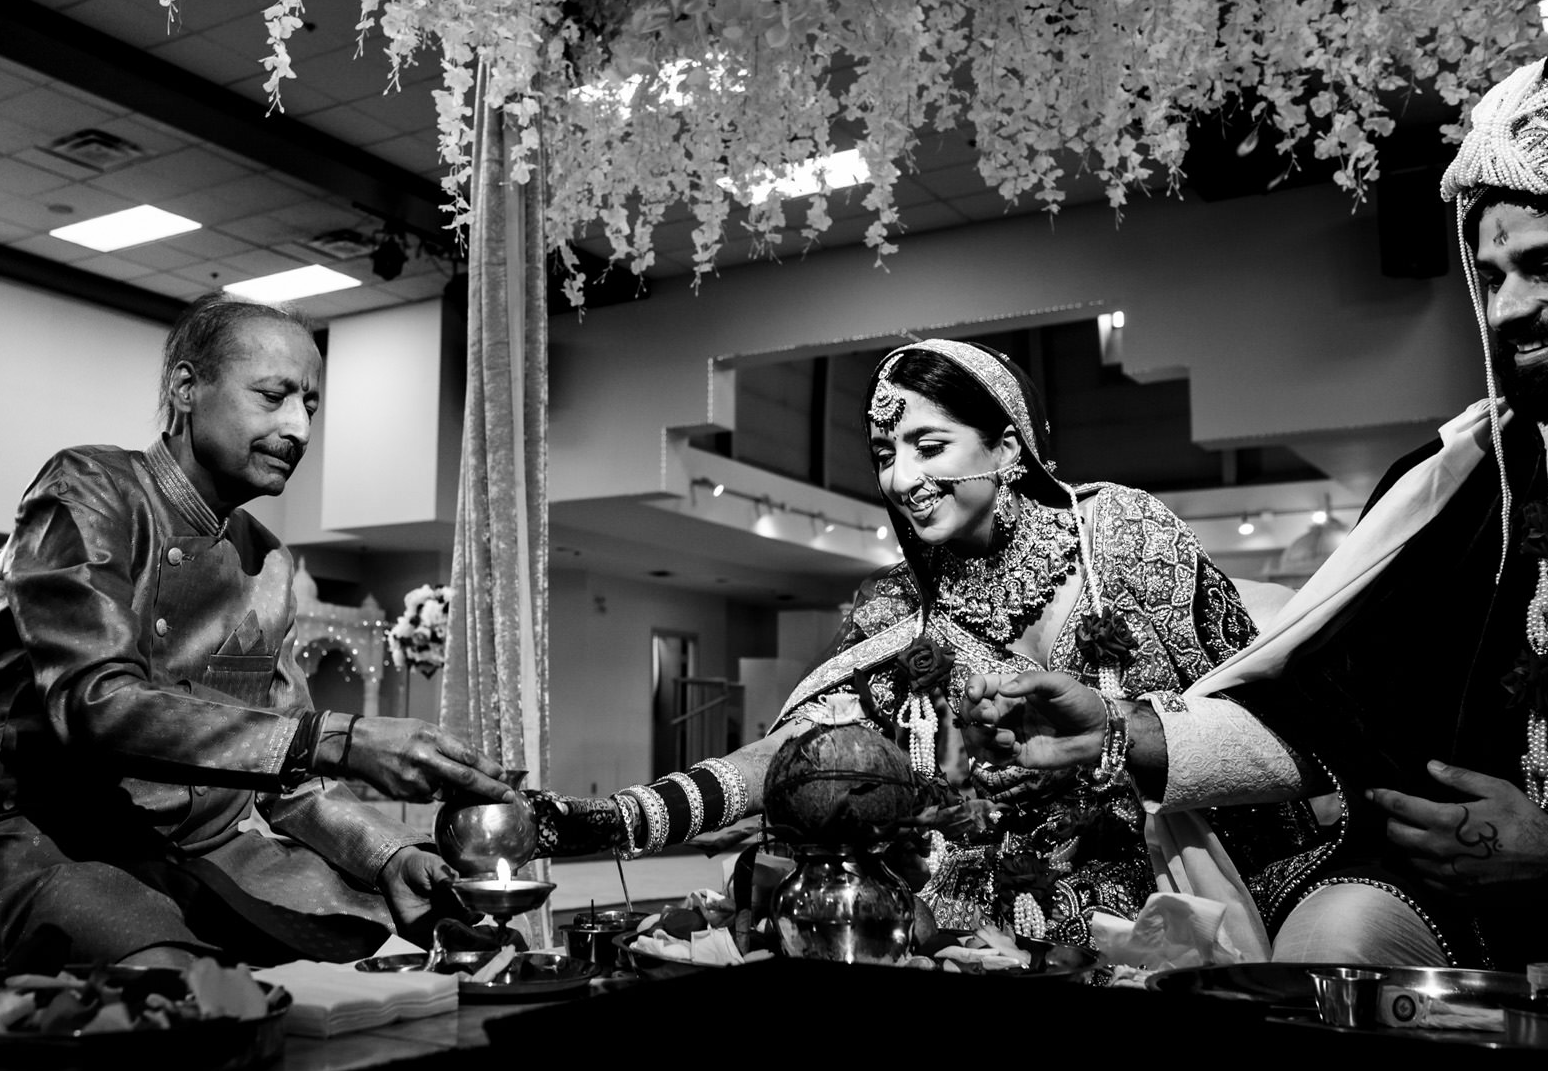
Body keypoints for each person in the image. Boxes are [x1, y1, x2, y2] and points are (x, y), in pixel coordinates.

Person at [968, 50, 1548, 1001]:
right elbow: (1337, 714)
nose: (1509, 308)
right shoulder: (1472, 480)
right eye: (1491, 275)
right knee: (1333, 935)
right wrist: (1116, 731)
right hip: (1475, 892)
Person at [530, 338, 1311, 946]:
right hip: (980, 927)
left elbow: (1258, 712)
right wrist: (624, 819)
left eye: (930, 447)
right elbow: (806, 750)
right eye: (885, 455)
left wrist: (1116, 736)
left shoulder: (1126, 536)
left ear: (1008, 450)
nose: (902, 479)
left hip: (1186, 898)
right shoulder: (897, 608)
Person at [0, 295, 513, 969]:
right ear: (187, 388)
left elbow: (292, 779)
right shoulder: (93, 487)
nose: (298, 428)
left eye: (310, 406)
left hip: (200, 851)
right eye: (273, 396)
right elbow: (98, 704)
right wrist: (339, 739)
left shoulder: (267, 560)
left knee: (419, 953)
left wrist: (388, 854)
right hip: (45, 835)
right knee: (175, 987)